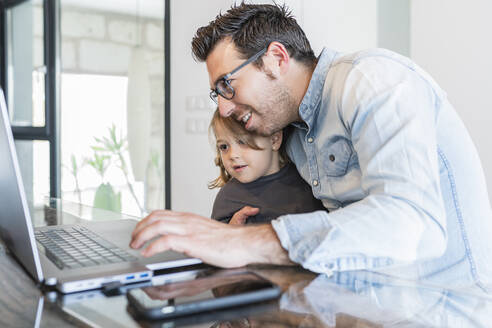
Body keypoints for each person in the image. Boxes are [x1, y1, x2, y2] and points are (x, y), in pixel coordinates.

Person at [131, 3, 492, 289]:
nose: (223, 107)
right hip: (366, 308)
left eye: (227, 85)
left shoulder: (371, 81)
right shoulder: (293, 132)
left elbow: (413, 223)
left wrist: (244, 244)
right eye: (217, 93)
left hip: (446, 308)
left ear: (276, 58)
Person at [208, 108, 325, 224]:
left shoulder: (308, 181)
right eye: (224, 147)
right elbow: (216, 240)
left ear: (274, 140)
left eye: (243, 142)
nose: (232, 155)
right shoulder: (227, 199)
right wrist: (231, 231)